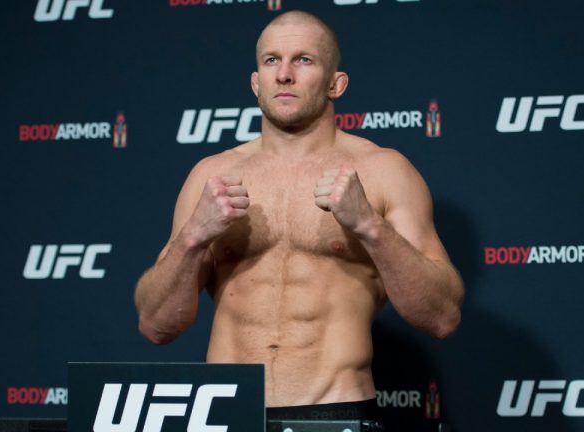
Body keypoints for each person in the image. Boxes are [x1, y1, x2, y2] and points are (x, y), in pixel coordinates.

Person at [134, 9, 464, 425]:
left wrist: (370, 227)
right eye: (271, 60)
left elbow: (442, 316)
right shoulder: (211, 175)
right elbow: (155, 325)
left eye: (304, 60)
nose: (284, 74)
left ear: (335, 83)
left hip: (335, 409)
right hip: (226, 411)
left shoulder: (383, 170)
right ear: (256, 81)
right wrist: (193, 239)